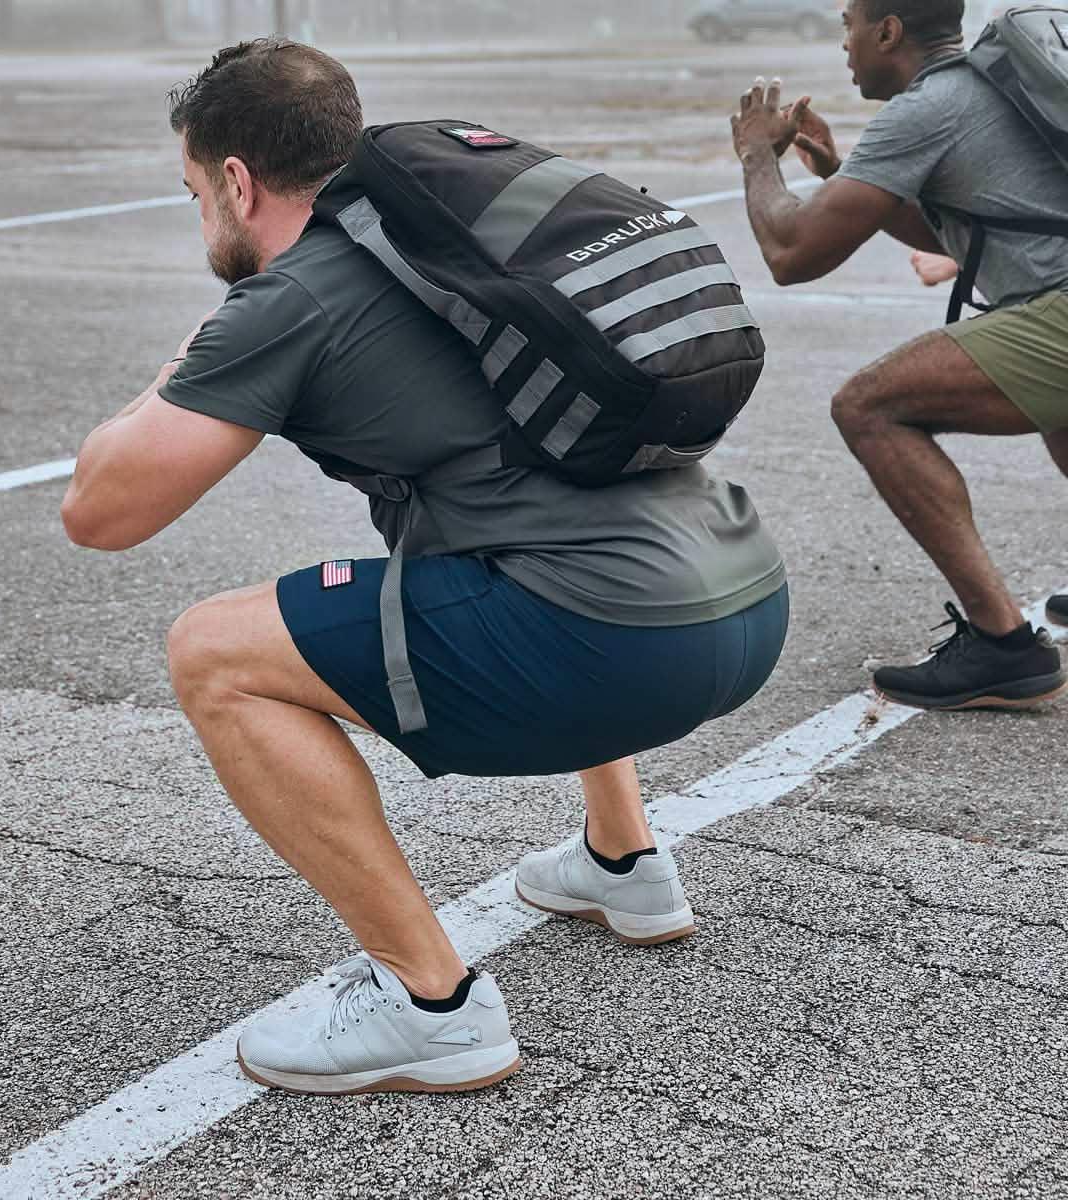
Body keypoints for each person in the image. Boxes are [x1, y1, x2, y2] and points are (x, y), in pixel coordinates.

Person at [60, 39, 788, 1096]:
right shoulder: (449, 246)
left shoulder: (290, 297)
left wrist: (182, 366)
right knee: (489, 536)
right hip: (745, 603)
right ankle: (625, 864)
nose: (200, 218)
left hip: (619, 648)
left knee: (213, 652)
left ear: (233, 179)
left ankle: (430, 1005)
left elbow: (101, 511)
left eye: (192, 192)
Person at [731, 0, 1068, 710]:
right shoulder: (993, 85)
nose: (844, 44)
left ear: (888, 31)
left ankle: (1002, 647)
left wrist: (758, 155)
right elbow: (972, 234)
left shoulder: (929, 107)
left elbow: (793, 254)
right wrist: (835, 172)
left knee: (870, 405)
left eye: (849, 25)